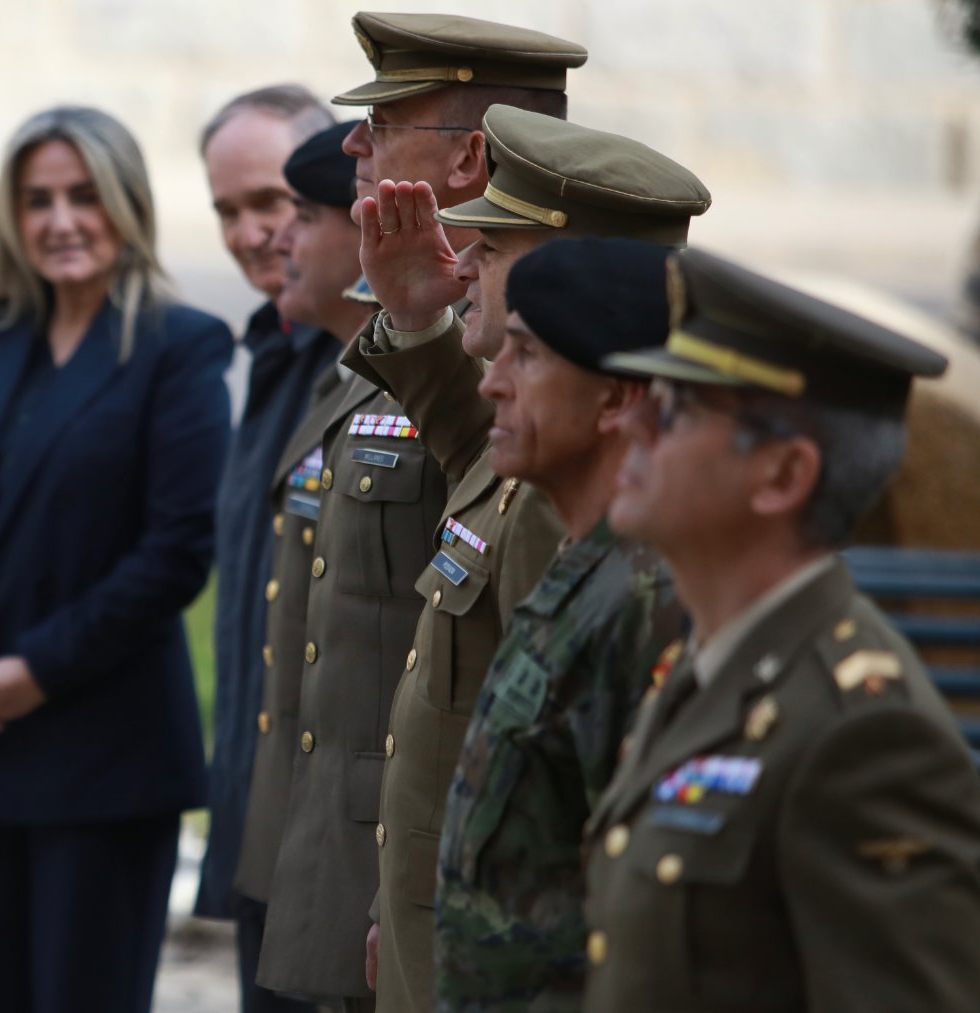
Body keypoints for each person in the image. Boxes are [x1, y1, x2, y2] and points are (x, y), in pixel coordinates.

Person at [344, 100, 711, 1012]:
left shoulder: (614, 539)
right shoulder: (547, 461)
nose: (463, 264)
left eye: (495, 251)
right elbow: (489, 454)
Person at [0, 105, 232, 1013]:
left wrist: (35, 672)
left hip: (101, 759)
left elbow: (177, 551)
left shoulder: (180, 348)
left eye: (84, 195)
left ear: (127, 204)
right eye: (37, 199)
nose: (60, 219)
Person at [584, 246, 980, 1011]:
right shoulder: (713, 664)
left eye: (676, 407)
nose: (630, 422)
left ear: (783, 475)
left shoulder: (860, 733)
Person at [309, 13, 586, 1010]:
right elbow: (490, 472)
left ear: (470, 153)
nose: (353, 141)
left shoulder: (582, 398)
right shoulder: (459, 322)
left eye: (384, 119)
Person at [431, 238, 687, 1009]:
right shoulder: (584, 564)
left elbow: (649, 897)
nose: (492, 385)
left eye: (528, 356)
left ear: (617, 400)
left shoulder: (650, 597)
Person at [226, 120, 446, 1013]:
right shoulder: (337, 380)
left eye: (306, 214)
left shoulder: (428, 386)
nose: (279, 237)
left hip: (376, 830)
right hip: (308, 819)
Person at [195, 83, 342, 1013]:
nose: (253, 233)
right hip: (261, 820)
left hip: (327, 839)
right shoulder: (275, 347)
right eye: (228, 211)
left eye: (274, 205)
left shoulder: (370, 360)